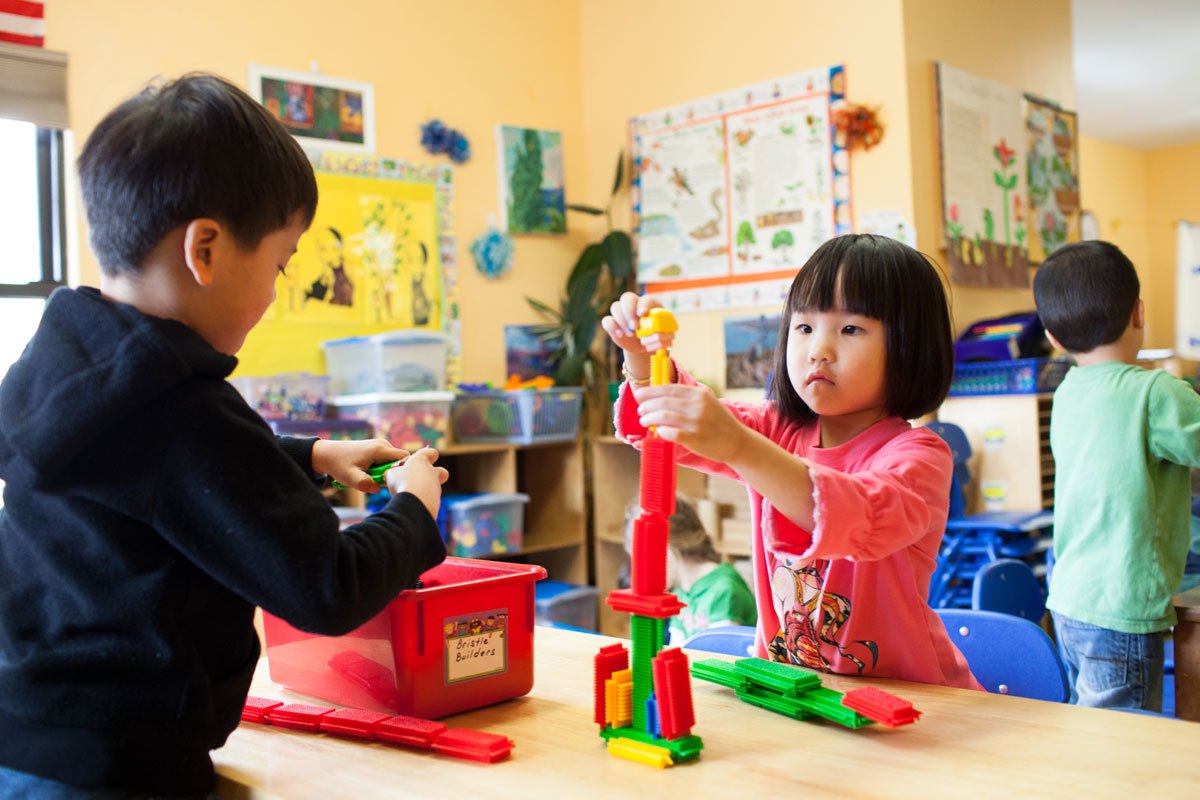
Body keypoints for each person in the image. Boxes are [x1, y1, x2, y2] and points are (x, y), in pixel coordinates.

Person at [0, 74, 449, 798]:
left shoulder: (67, 371)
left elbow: (164, 486)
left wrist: (309, 457)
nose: (274, 291)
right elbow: (327, 586)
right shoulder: (183, 406)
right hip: (126, 768)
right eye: (279, 263)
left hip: (27, 741)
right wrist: (414, 509)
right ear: (205, 249)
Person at [603, 233, 980, 689]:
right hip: (791, 688)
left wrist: (741, 447)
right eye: (804, 328)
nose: (818, 349)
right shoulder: (775, 429)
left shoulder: (919, 456)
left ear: (909, 347)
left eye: (850, 329)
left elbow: (860, 514)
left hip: (910, 698)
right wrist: (643, 360)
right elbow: (677, 431)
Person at [1032, 240, 1200, 711]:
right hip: (1120, 605)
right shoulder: (1156, 393)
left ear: (1053, 337)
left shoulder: (1068, 391)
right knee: (1121, 741)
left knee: (1094, 728)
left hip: (1068, 598)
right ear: (1138, 313)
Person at [623, 494, 756, 644]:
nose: (641, 574)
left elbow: (721, 653)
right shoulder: (681, 591)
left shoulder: (723, 592)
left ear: (664, 550)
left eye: (641, 561)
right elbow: (677, 646)